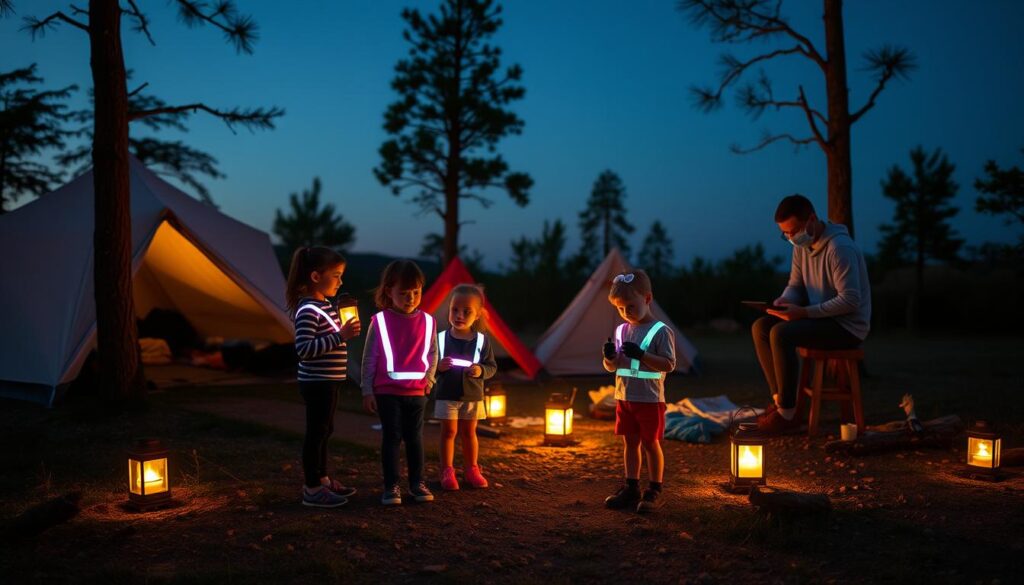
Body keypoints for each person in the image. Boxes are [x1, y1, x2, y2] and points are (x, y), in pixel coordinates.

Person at [752, 194, 871, 433]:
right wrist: (784, 301)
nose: (791, 238)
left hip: (846, 327)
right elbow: (796, 285)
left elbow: (850, 300)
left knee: (781, 334)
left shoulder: (840, 248)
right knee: (761, 327)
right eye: (785, 234)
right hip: (821, 319)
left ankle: (788, 414)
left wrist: (804, 312)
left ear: (812, 219)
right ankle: (781, 402)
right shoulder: (802, 247)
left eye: (794, 231)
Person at [287, 246, 361, 508]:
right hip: (316, 382)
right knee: (316, 433)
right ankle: (312, 488)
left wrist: (343, 332)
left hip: (329, 381)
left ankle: (323, 479)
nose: (340, 282)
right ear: (316, 276)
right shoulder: (309, 309)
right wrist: (340, 336)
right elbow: (304, 349)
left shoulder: (325, 305)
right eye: (336, 276)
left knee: (325, 430)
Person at [361, 259, 438, 505]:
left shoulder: (429, 321)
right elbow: (369, 357)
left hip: (417, 393)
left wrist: (429, 380)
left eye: (416, 292)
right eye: (404, 293)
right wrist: (367, 389)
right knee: (392, 438)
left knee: (415, 438)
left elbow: (433, 353)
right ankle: (391, 486)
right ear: (389, 291)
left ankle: (417, 483)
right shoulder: (380, 322)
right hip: (387, 392)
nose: (411, 298)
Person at [601, 270, 676, 513]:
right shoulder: (622, 331)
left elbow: (669, 364)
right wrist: (609, 358)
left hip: (650, 399)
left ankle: (654, 490)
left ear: (647, 298)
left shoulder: (661, 331)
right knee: (630, 443)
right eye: (620, 308)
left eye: (630, 306)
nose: (626, 312)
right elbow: (614, 367)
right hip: (625, 397)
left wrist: (642, 355)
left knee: (650, 443)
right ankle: (631, 487)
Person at [434, 284, 498, 490]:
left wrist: (481, 370)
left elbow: (492, 367)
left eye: (466, 311)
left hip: (472, 396)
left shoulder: (482, 341)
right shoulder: (440, 339)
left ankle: (472, 470)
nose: (459, 315)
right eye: (455, 310)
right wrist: (438, 367)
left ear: (477, 315)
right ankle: (447, 471)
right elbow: (428, 366)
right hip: (447, 395)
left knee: (469, 433)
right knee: (448, 432)